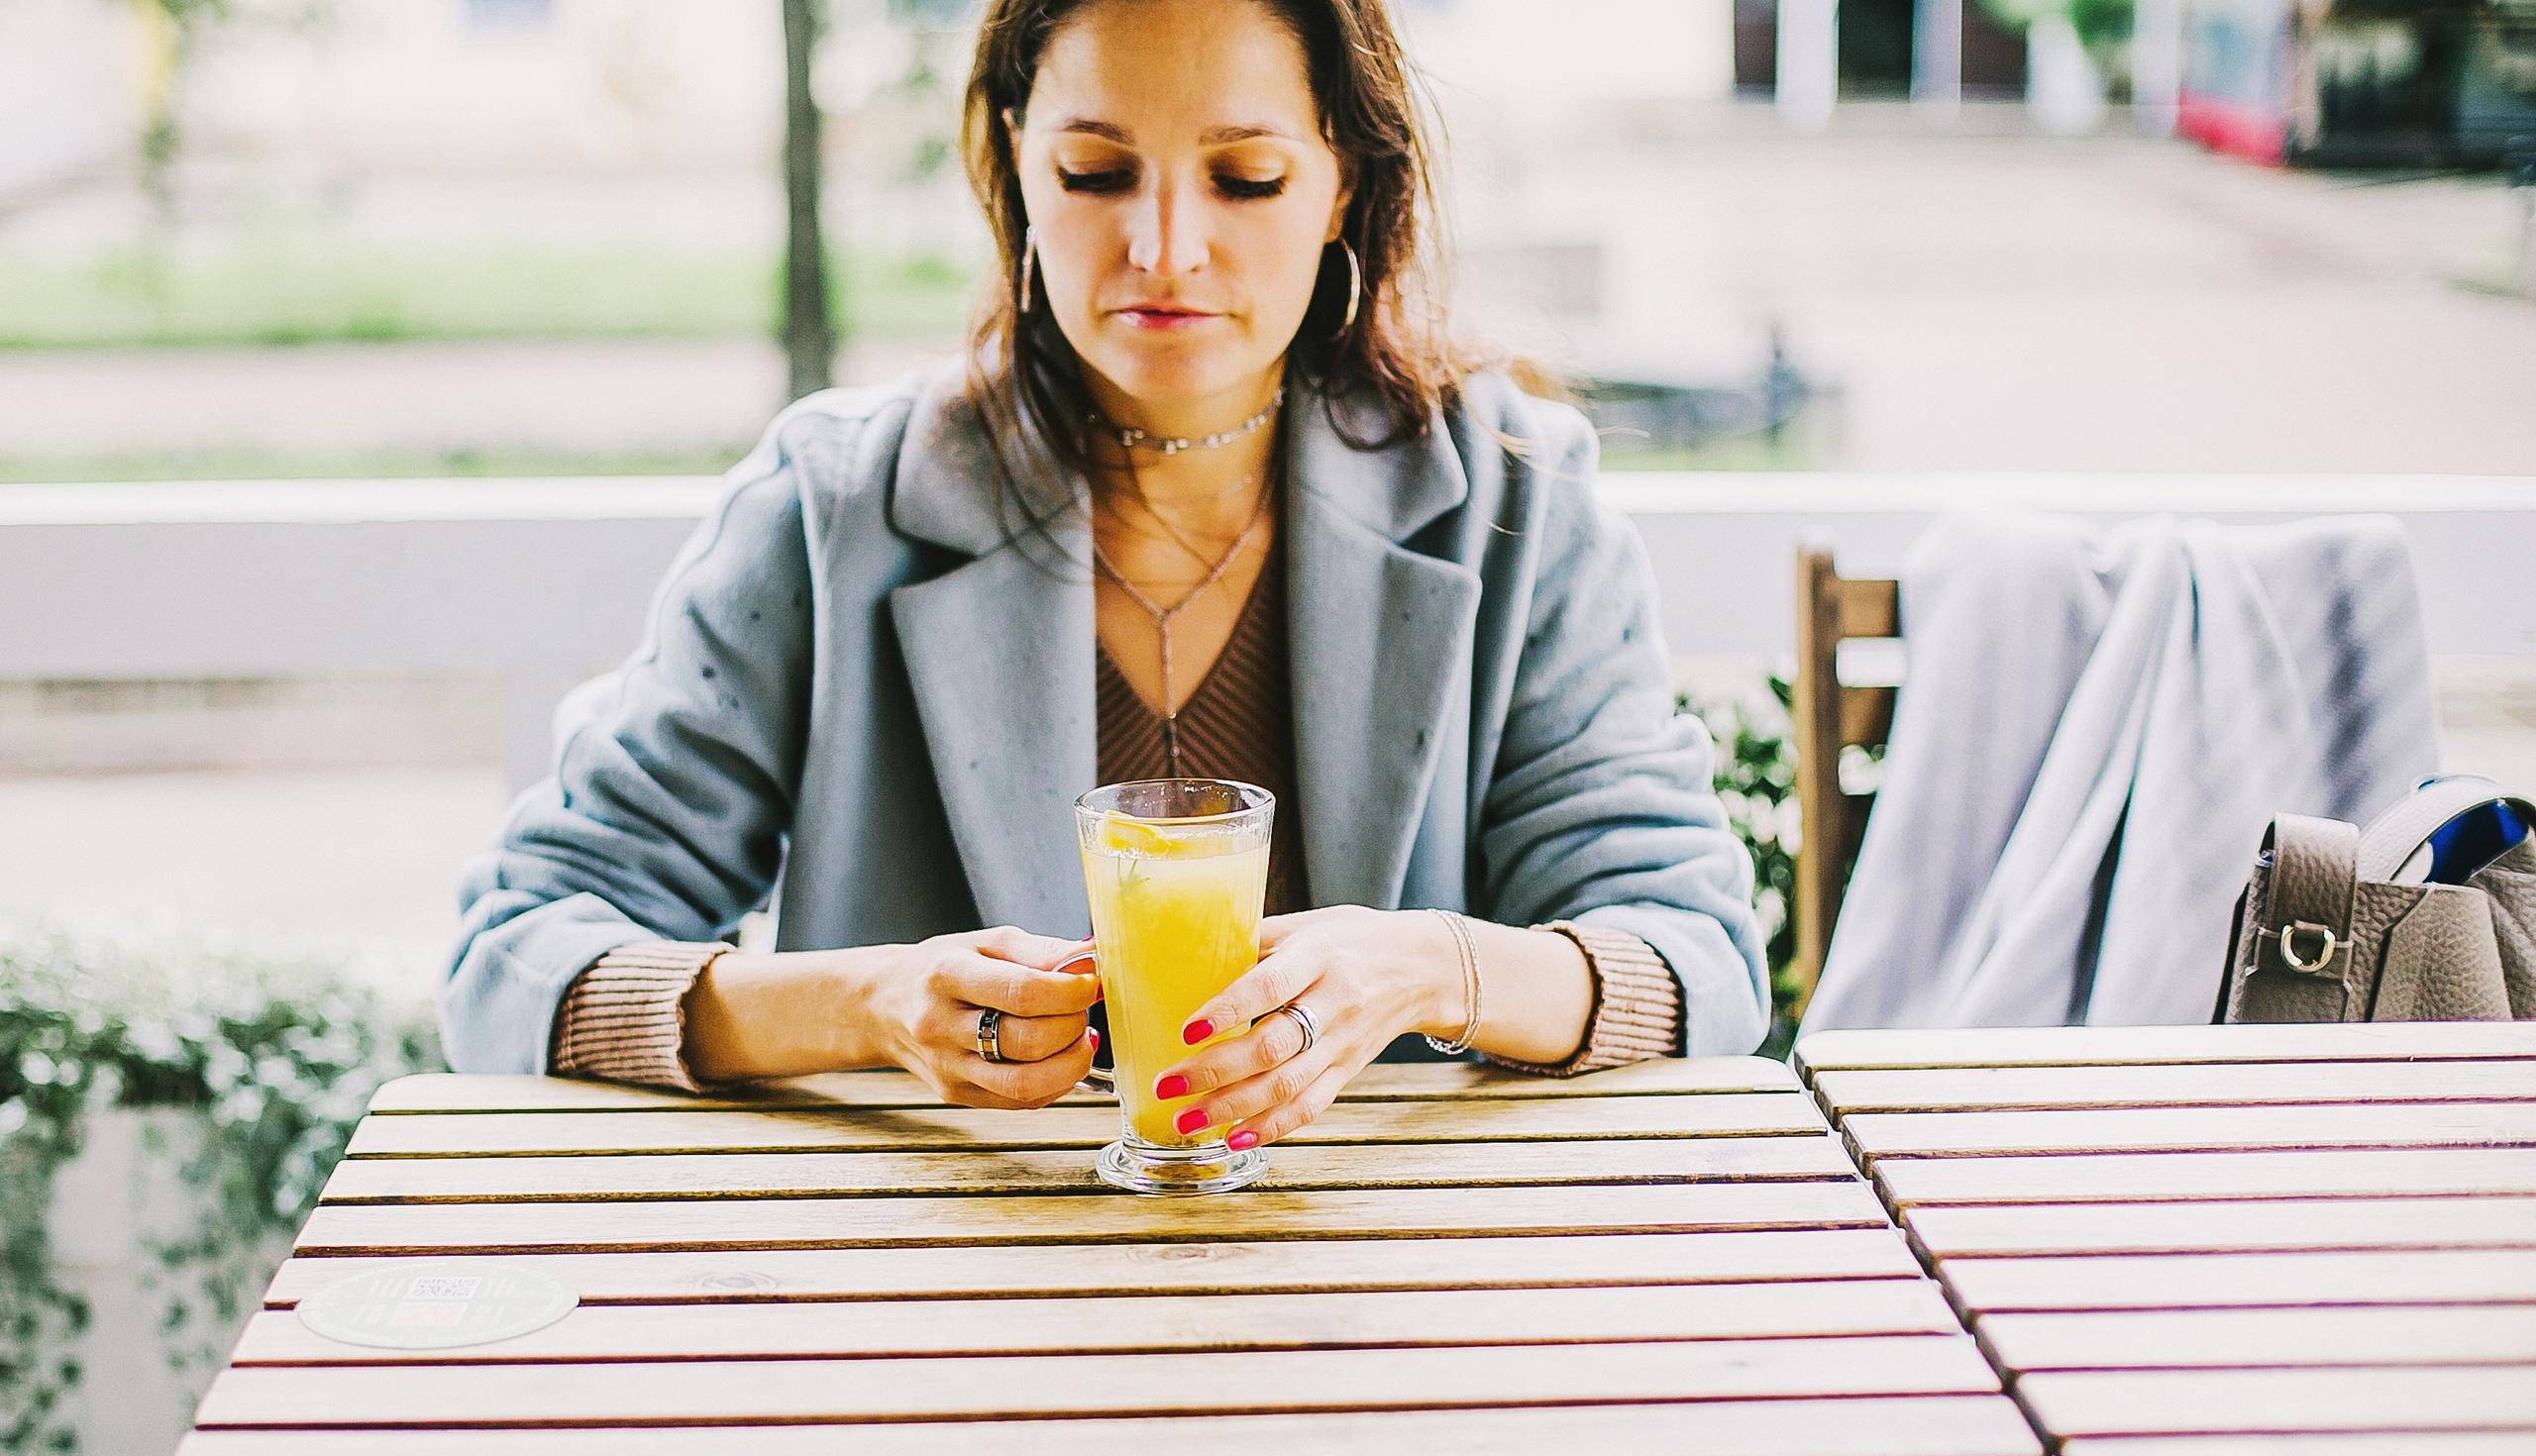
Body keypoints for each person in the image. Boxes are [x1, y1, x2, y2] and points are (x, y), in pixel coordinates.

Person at [440, 0, 1769, 1151]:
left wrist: (1428, 969)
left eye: (1244, 177)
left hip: (1390, 1301)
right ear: (1015, 162)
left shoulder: (1513, 499)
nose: (1166, 249)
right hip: (924, 1314)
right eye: (1094, 172)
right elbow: (512, 960)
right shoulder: (830, 508)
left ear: (1345, 188)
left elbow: (1698, 964)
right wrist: (866, 1006)